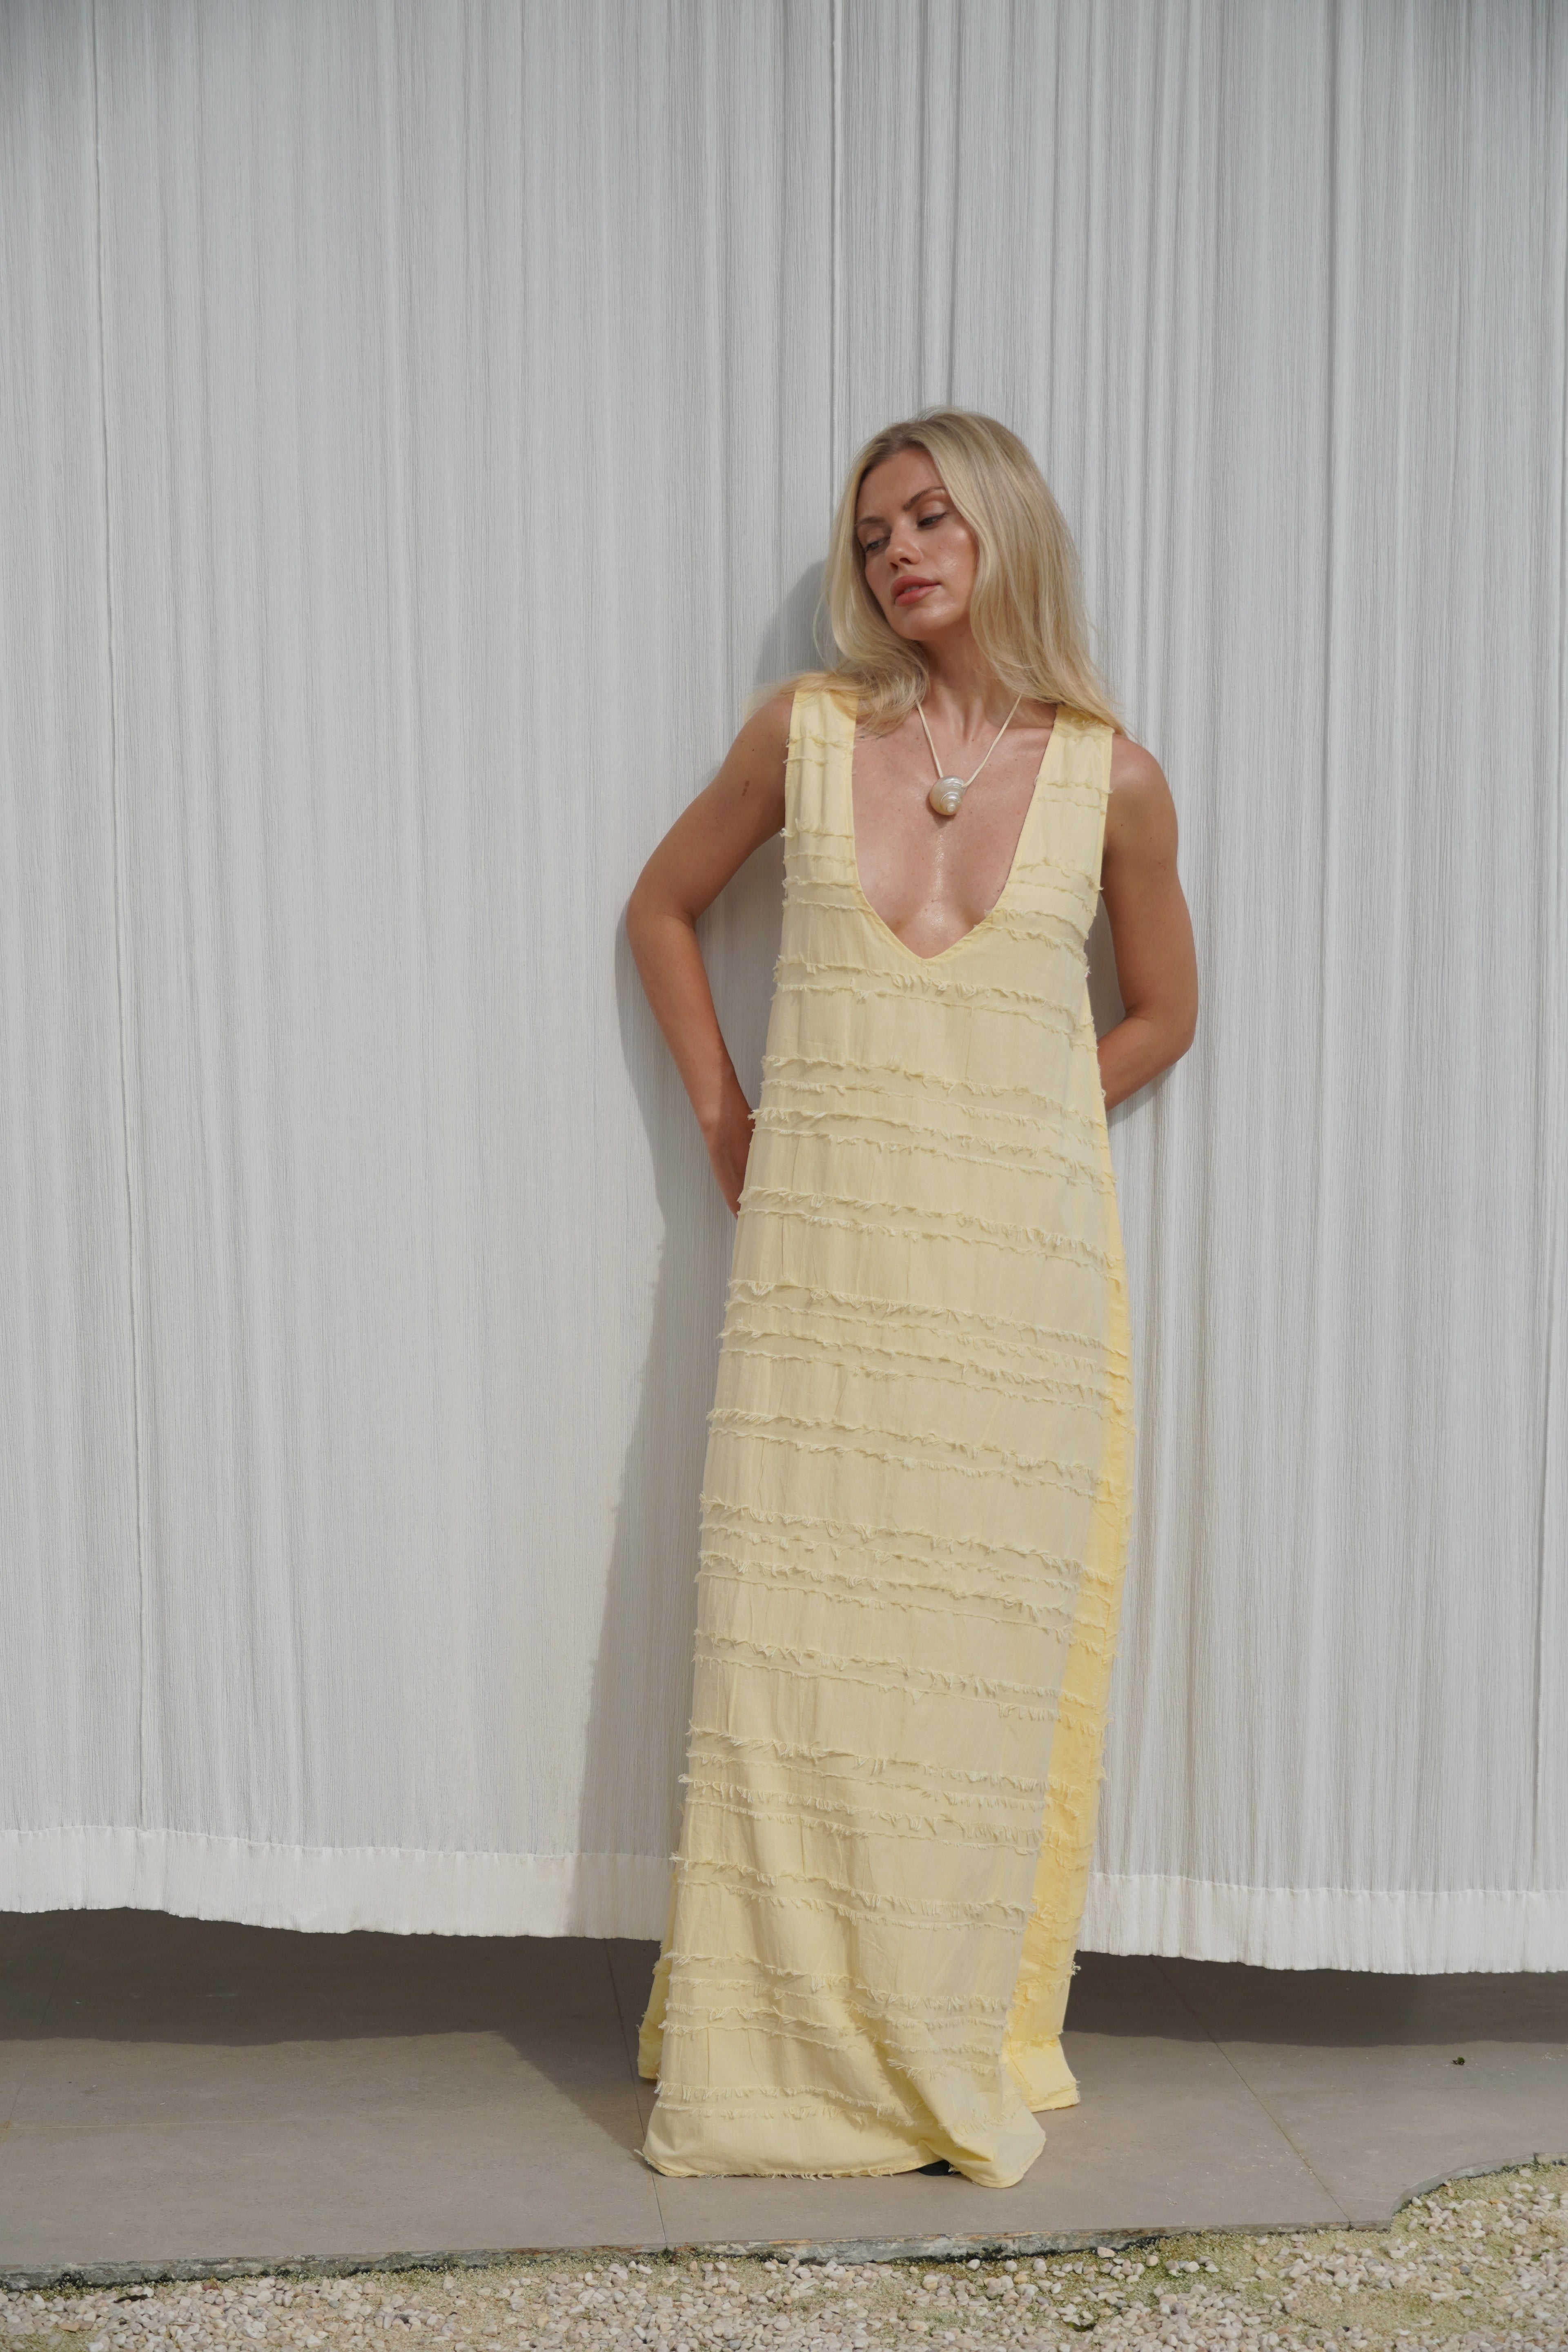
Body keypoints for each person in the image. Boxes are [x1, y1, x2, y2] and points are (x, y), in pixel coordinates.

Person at [624, 407, 1197, 2187]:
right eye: (874, 535)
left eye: (931, 518)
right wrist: (730, 1118)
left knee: (971, 1667)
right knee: (787, 1654)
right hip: (823, 1259)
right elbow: (661, 909)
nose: (897, 556)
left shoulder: (1113, 777)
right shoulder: (801, 734)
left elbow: (1168, 1012)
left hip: (1015, 1274)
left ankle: (952, 2027)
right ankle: (769, 2052)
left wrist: (1020, 1113)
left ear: (1005, 527)